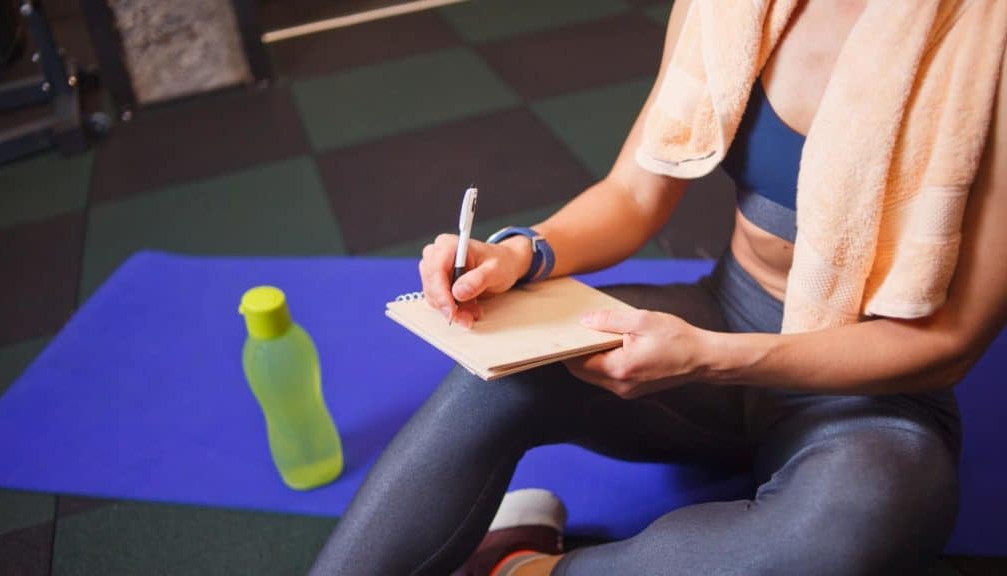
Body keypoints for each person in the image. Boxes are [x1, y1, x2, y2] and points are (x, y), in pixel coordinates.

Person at [310, 0, 1007, 574]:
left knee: (865, 522)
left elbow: (951, 343)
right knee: (495, 372)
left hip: (872, 391)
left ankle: (523, 566)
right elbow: (633, 195)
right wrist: (525, 253)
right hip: (727, 313)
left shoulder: (991, 38)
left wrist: (710, 357)